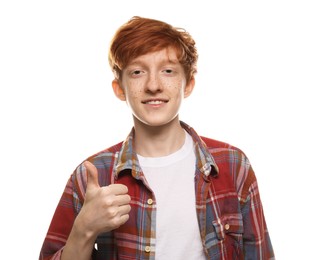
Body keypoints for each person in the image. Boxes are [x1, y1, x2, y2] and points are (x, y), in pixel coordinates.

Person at [39, 16, 274, 260]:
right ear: (120, 88)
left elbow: (261, 254)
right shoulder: (92, 176)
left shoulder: (233, 165)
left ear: (188, 85)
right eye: (138, 72)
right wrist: (84, 229)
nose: (153, 85)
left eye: (168, 71)